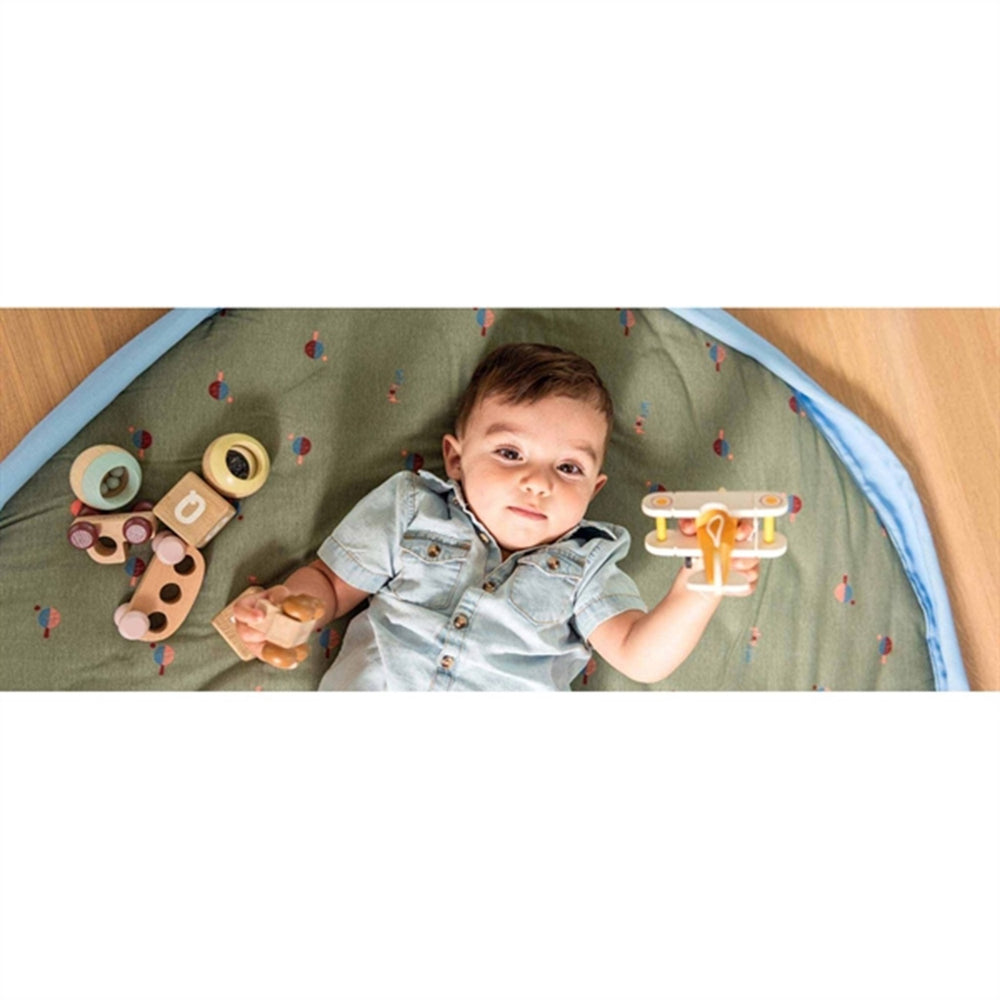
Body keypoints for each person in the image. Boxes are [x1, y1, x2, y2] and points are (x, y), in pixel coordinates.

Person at [232, 342, 760, 690]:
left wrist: (700, 584)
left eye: (569, 468)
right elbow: (329, 583)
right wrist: (288, 607)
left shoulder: (586, 566)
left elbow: (638, 655)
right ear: (456, 459)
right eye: (510, 453)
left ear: (595, 490)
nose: (539, 482)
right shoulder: (413, 509)